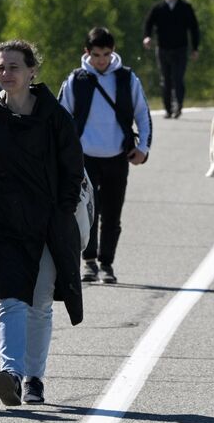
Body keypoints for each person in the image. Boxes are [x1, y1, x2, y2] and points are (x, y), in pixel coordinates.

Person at [0, 40, 85, 408]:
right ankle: (12, 374)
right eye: (1, 67)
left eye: (14, 67)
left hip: (47, 224)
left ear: (32, 71)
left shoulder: (55, 117)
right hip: (1, 225)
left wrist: (63, 214)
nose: (6, 73)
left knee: (40, 302)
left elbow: (73, 170)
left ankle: (35, 378)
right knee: (11, 300)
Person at [59, 27, 152, 285]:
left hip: (117, 156)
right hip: (84, 158)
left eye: (106, 54)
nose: (101, 60)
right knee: (87, 212)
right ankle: (88, 261)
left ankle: (107, 263)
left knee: (112, 214)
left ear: (113, 52)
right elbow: (61, 118)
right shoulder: (76, 80)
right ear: (87, 52)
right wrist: (62, 154)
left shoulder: (127, 79)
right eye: (96, 55)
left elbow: (142, 114)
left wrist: (143, 148)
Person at [142, 0, 200, 119]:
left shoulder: (185, 8)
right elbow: (148, 24)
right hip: (163, 49)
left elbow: (194, 28)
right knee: (166, 80)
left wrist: (195, 48)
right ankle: (168, 109)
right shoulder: (158, 8)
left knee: (178, 78)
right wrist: (147, 37)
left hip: (180, 49)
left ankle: (178, 106)